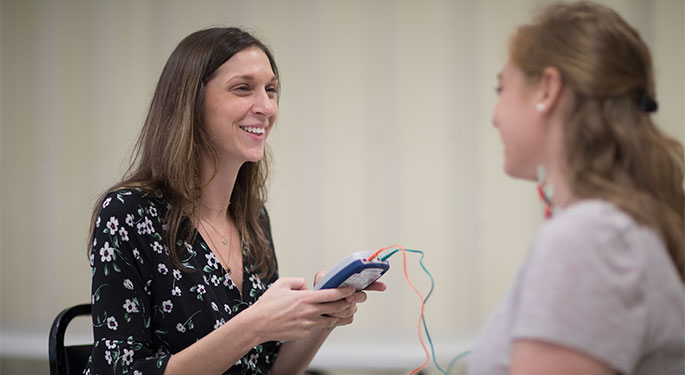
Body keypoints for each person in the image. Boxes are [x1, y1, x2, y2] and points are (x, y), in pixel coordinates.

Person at [85, 27, 385, 375]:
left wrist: (322, 318)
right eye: (243, 88)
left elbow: (268, 369)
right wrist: (253, 325)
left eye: (271, 90)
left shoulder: (253, 217)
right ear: (190, 102)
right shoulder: (129, 212)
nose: (266, 107)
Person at [468, 2, 684, 375]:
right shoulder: (620, 227)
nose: (494, 115)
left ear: (548, 89)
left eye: (501, 88)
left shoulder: (590, 239)